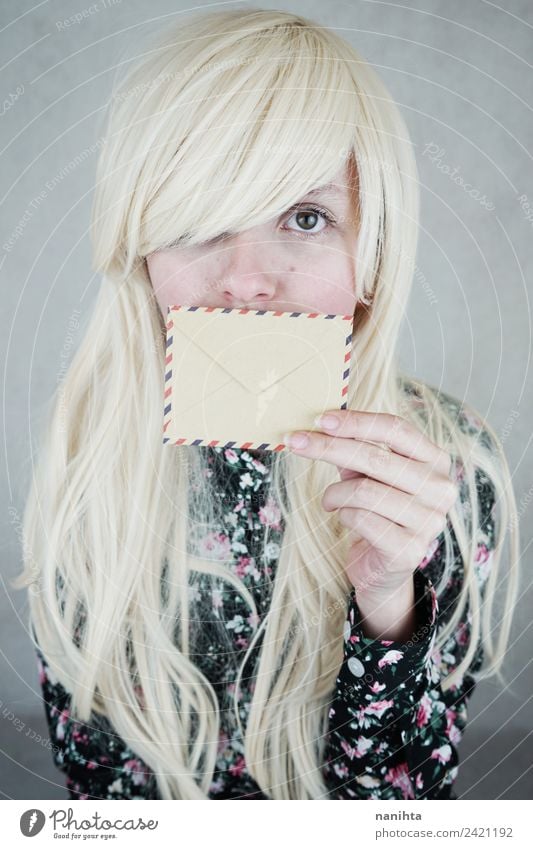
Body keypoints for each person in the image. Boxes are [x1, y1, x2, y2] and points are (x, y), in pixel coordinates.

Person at [14, 8, 520, 801]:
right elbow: (102, 795)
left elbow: (398, 811)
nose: (248, 279)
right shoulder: (94, 453)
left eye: (306, 217)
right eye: (201, 218)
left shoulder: (447, 466)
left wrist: (388, 601)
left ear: (371, 254)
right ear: (143, 253)